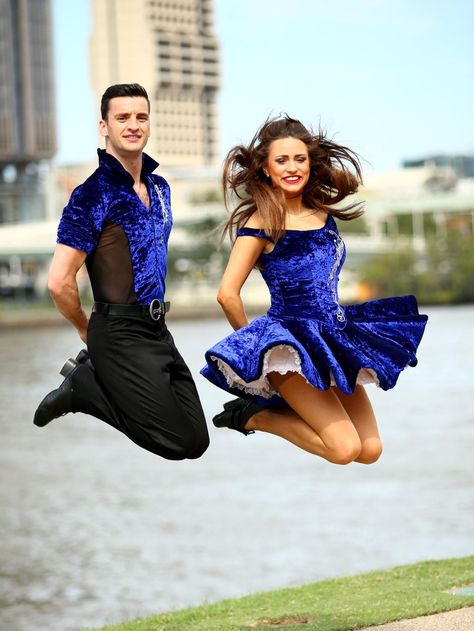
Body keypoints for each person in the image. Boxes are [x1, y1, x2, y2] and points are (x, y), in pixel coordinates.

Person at [201, 115, 427, 465]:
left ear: (310, 163)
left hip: (334, 338)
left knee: (369, 451)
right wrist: (256, 355)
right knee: (344, 449)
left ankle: (259, 411)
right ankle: (254, 416)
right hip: (288, 347)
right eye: (281, 160)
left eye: (299, 159)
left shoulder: (323, 213)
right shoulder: (261, 221)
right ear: (265, 168)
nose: (292, 168)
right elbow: (227, 294)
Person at [33, 83, 209, 461]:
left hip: (157, 328)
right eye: (122, 117)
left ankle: (84, 384)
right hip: (117, 332)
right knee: (176, 443)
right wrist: (87, 330)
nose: (133, 125)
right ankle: (81, 385)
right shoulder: (91, 194)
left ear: (149, 123)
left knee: (196, 439)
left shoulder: (160, 188)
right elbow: (59, 281)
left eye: (141, 116)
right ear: (104, 126)